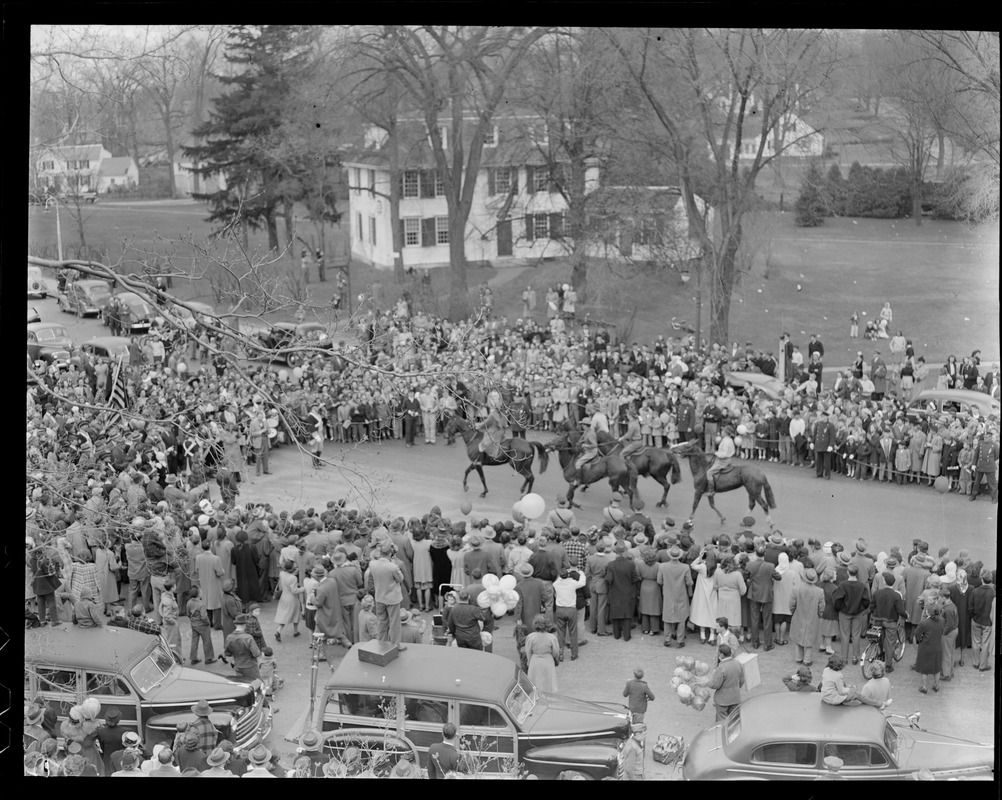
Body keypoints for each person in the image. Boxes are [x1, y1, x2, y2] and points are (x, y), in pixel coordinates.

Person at [833, 565, 870, 665]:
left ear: (848, 573)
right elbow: (866, 601)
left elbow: (837, 599)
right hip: (857, 613)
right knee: (856, 635)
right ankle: (855, 657)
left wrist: (839, 608)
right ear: (857, 574)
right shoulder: (861, 585)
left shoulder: (843, 584)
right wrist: (861, 608)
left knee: (844, 635)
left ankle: (844, 658)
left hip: (844, 613)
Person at [820, 654, 886, 708]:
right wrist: (849, 689)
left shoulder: (826, 669)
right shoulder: (838, 676)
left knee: (845, 688)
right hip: (833, 699)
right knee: (858, 696)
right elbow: (841, 691)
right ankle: (880, 704)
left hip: (825, 696)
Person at [658, 546, 693, 647]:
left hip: (668, 593)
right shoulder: (685, 567)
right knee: (681, 617)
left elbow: (659, 581)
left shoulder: (663, 566)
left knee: (668, 616)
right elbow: (689, 582)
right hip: (681, 594)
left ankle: (667, 638)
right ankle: (680, 640)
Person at [700, 644, 745, 721]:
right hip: (735, 698)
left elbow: (715, 684)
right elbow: (742, 681)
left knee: (722, 723)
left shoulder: (721, 668)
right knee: (734, 721)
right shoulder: (738, 664)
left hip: (723, 701)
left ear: (721, 654)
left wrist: (706, 682)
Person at [606, 541, 639, 641]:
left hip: (615, 591)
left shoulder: (610, 565)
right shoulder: (630, 564)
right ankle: (626, 635)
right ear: (625, 552)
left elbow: (609, 579)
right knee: (627, 614)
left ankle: (616, 634)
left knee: (615, 613)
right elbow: (635, 578)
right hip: (627, 591)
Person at [523, 613, 560, 692]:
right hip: (547, 661)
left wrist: (529, 662)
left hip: (535, 660)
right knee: (548, 683)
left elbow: (528, 651)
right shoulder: (552, 638)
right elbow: (556, 652)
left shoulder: (530, 637)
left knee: (535, 683)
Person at [967, 570, 995, 671]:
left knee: (975, 642)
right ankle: (983, 665)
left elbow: (970, 607)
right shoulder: (993, 593)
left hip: (976, 619)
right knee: (985, 643)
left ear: (982, 579)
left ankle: (976, 662)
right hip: (987, 621)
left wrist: (973, 616)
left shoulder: (975, 591)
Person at [914, 605, 945, 693]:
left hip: (926, 647)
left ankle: (924, 687)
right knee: (937, 667)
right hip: (937, 646)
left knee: (924, 668)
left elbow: (917, 633)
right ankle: (936, 685)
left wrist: (919, 640)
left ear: (928, 612)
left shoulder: (924, 623)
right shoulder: (942, 621)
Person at [224, 614, 262, 680]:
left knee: (243, 683)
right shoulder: (248, 638)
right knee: (258, 683)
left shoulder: (229, 637)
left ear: (235, 625)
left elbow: (227, 653)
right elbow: (256, 653)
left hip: (237, 665)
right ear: (244, 625)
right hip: (250, 666)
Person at [186, 586, 215, 665]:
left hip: (194, 624)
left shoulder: (189, 602)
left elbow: (188, 613)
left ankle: (193, 658)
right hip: (203, 625)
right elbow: (204, 617)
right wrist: (207, 623)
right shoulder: (201, 604)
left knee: (194, 641)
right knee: (207, 641)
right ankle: (208, 658)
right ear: (198, 594)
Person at [705, 425, 736, 496]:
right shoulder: (728, 440)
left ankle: (711, 490)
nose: (721, 432)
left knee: (709, 472)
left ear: (726, 432)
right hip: (725, 459)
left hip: (723, 461)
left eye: (723, 431)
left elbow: (724, 454)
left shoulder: (726, 442)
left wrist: (715, 453)